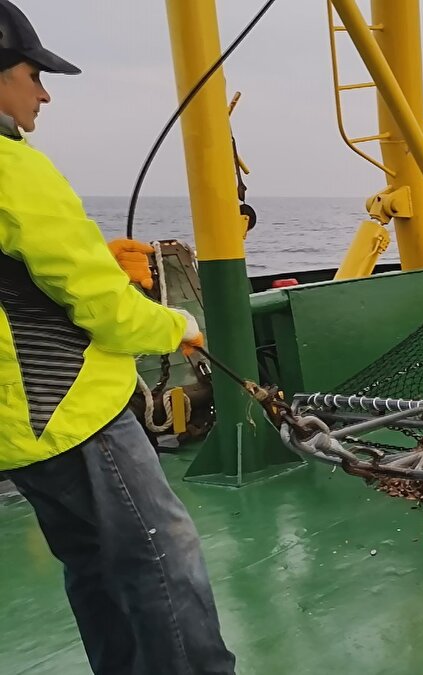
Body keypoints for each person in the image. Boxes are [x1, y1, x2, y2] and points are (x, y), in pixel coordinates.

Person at [0, 2, 236, 672]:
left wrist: (95, 254)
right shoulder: (16, 169)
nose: (43, 91)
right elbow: (105, 313)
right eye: (30, 72)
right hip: (73, 412)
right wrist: (176, 325)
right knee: (165, 553)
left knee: (92, 563)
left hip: (19, 425)